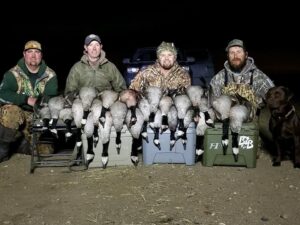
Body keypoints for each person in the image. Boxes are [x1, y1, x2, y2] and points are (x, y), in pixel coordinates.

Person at [64, 34, 127, 166]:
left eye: (97, 45)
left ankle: (103, 150)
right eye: (91, 45)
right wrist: (80, 97)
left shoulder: (110, 67)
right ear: (85, 48)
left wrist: (115, 98)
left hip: (103, 103)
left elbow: (121, 88)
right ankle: (81, 148)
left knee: (105, 117)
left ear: (101, 47)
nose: (94, 48)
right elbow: (69, 91)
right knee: (79, 115)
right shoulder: (77, 68)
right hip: (82, 101)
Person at [209, 38, 275, 160]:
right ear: (228, 56)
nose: (235, 55)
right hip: (224, 123)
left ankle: (250, 144)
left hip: (247, 123)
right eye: (232, 52)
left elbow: (274, 96)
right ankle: (217, 143)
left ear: (246, 54)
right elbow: (210, 102)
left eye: (239, 51)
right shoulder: (218, 78)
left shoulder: (258, 76)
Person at [129, 41, 192, 164]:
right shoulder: (147, 72)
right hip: (151, 112)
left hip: (174, 112)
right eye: (163, 55)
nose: (166, 58)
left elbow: (187, 98)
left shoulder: (183, 75)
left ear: (175, 57)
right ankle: (136, 146)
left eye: (170, 55)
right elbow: (133, 90)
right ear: (158, 57)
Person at [0, 40, 58, 163]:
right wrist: (26, 99)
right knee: (10, 111)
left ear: (41, 56)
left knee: (46, 151)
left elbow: (52, 98)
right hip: (18, 112)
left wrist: (40, 102)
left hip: (38, 116)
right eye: (29, 52)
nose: (33, 55)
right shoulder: (13, 74)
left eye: (37, 52)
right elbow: (2, 93)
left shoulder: (50, 75)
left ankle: (20, 142)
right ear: (24, 54)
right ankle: (3, 150)